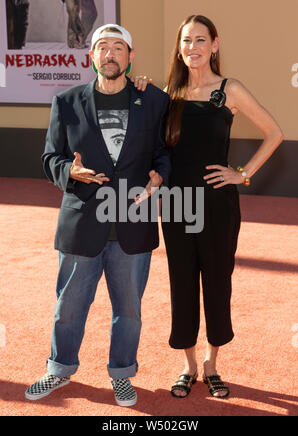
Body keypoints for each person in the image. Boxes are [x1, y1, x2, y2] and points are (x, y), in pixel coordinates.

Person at [25, 24, 171, 407]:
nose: (110, 54)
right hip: (81, 225)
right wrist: (68, 173)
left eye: (118, 48)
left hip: (133, 224)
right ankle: (59, 369)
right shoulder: (66, 102)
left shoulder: (154, 100)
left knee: (129, 311)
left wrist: (161, 174)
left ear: (130, 56)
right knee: (69, 307)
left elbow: (164, 151)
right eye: (102, 47)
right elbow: (50, 157)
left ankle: (122, 375)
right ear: (91, 56)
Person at [159, 14, 283, 399]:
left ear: (214, 45)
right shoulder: (170, 93)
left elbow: (274, 133)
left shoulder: (230, 89)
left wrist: (241, 174)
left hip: (217, 205)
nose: (192, 47)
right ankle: (188, 365)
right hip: (177, 205)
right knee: (181, 283)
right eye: (186, 40)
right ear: (179, 48)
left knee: (216, 281)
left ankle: (213, 365)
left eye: (200, 39)